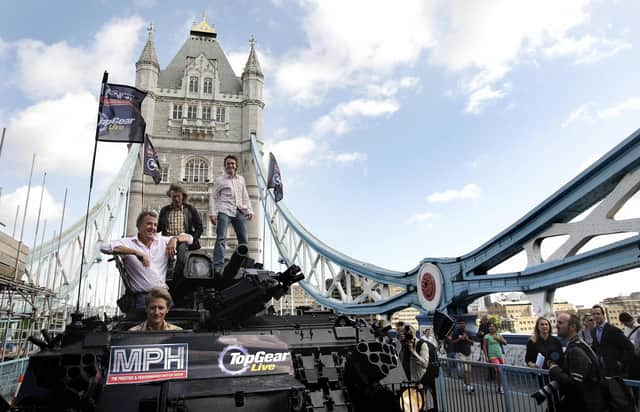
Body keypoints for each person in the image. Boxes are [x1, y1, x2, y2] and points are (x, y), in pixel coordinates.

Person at [100, 210, 193, 310]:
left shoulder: (163, 241)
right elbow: (103, 247)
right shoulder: (127, 242)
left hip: (164, 298)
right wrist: (135, 252)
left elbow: (190, 238)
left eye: (155, 225)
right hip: (143, 300)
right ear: (139, 226)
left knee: (172, 325)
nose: (153, 227)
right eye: (149, 224)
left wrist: (175, 239)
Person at [549, 313, 605, 412]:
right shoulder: (577, 345)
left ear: (572, 327)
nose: (556, 326)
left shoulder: (576, 349)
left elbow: (574, 384)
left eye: (560, 323)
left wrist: (555, 369)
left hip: (585, 404)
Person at [209, 155, 253, 273]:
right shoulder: (220, 180)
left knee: (243, 239)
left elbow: (245, 195)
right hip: (224, 210)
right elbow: (213, 197)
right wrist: (212, 213)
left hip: (239, 211)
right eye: (228, 163)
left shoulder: (241, 179)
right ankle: (218, 264)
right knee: (221, 238)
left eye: (232, 163)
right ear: (225, 166)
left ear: (236, 166)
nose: (230, 165)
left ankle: (245, 265)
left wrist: (249, 210)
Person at [590, 304, 634, 377]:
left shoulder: (613, 330)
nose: (596, 316)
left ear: (603, 315)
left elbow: (629, 347)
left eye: (598, 313)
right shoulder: (593, 331)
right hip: (603, 371)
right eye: (593, 314)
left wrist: (621, 362)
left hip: (616, 371)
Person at [157, 184, 203, 251]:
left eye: (178, 196)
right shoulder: (164, 210)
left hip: (184, 242)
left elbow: (199, 228)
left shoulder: (190, 209)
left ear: (183, 196)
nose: (176, 199)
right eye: (174, 197)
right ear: (170, 196)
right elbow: (158, 228)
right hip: (168, 241)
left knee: (182, 254)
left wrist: (192, 238)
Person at [450, 319, 474, 393]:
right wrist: (459, 339)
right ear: (459, 324)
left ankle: (465, 383)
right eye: (461, 323)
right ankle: (468, 386)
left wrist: (467, 339)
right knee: (465, 370)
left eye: (463, 323)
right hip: (461, 353)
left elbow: (472, 342)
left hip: (468, 353)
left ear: (465, 324)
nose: (462, 325)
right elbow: (452, 342)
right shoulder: (456, 332)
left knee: (469, 371)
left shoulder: (468, 332)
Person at [482, 322, 507, 394]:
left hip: (500, 355)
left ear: (496, 328)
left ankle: (499, 386)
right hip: (492, 356)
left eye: (492, 326)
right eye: (490, 326)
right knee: (498, 370)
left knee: (501, 372)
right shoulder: (487, 336)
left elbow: (505, 343)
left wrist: (498, 339)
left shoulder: (499, 335)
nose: (491, 328)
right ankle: (499, 387)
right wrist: (486, 357)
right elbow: (484, 346)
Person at [619, 312, 640, 380]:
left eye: (626, 323)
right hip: (632, 356)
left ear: (629, 319)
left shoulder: (638, 326)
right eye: (624, 323)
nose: (625, 325)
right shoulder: (626, 329)